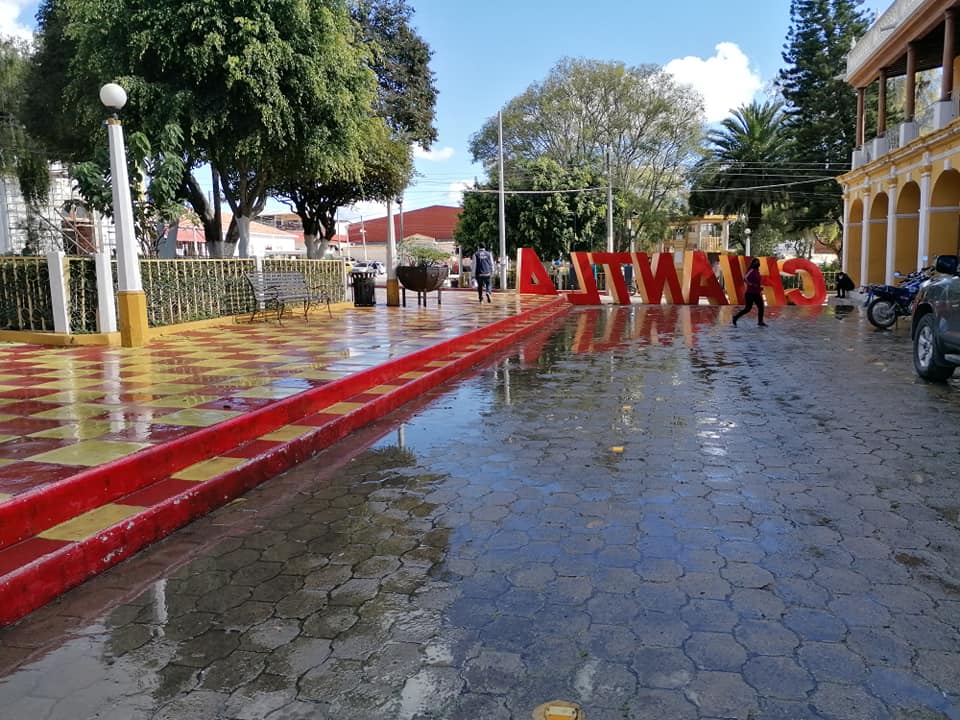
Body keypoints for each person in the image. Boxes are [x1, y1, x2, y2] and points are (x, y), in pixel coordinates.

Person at [732, 258, 767, 327]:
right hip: (750, 293)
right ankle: (735, 317)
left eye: (758, 262)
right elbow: (745, 278)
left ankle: (760, 321)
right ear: (753, 263)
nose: (757, 263)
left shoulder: (757, 271)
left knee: (761, 307)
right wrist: (751, 284)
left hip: (756, 293)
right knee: (748, 309)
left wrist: (759, 288)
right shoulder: (751, 270)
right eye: (756, 262)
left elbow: (757, 282)